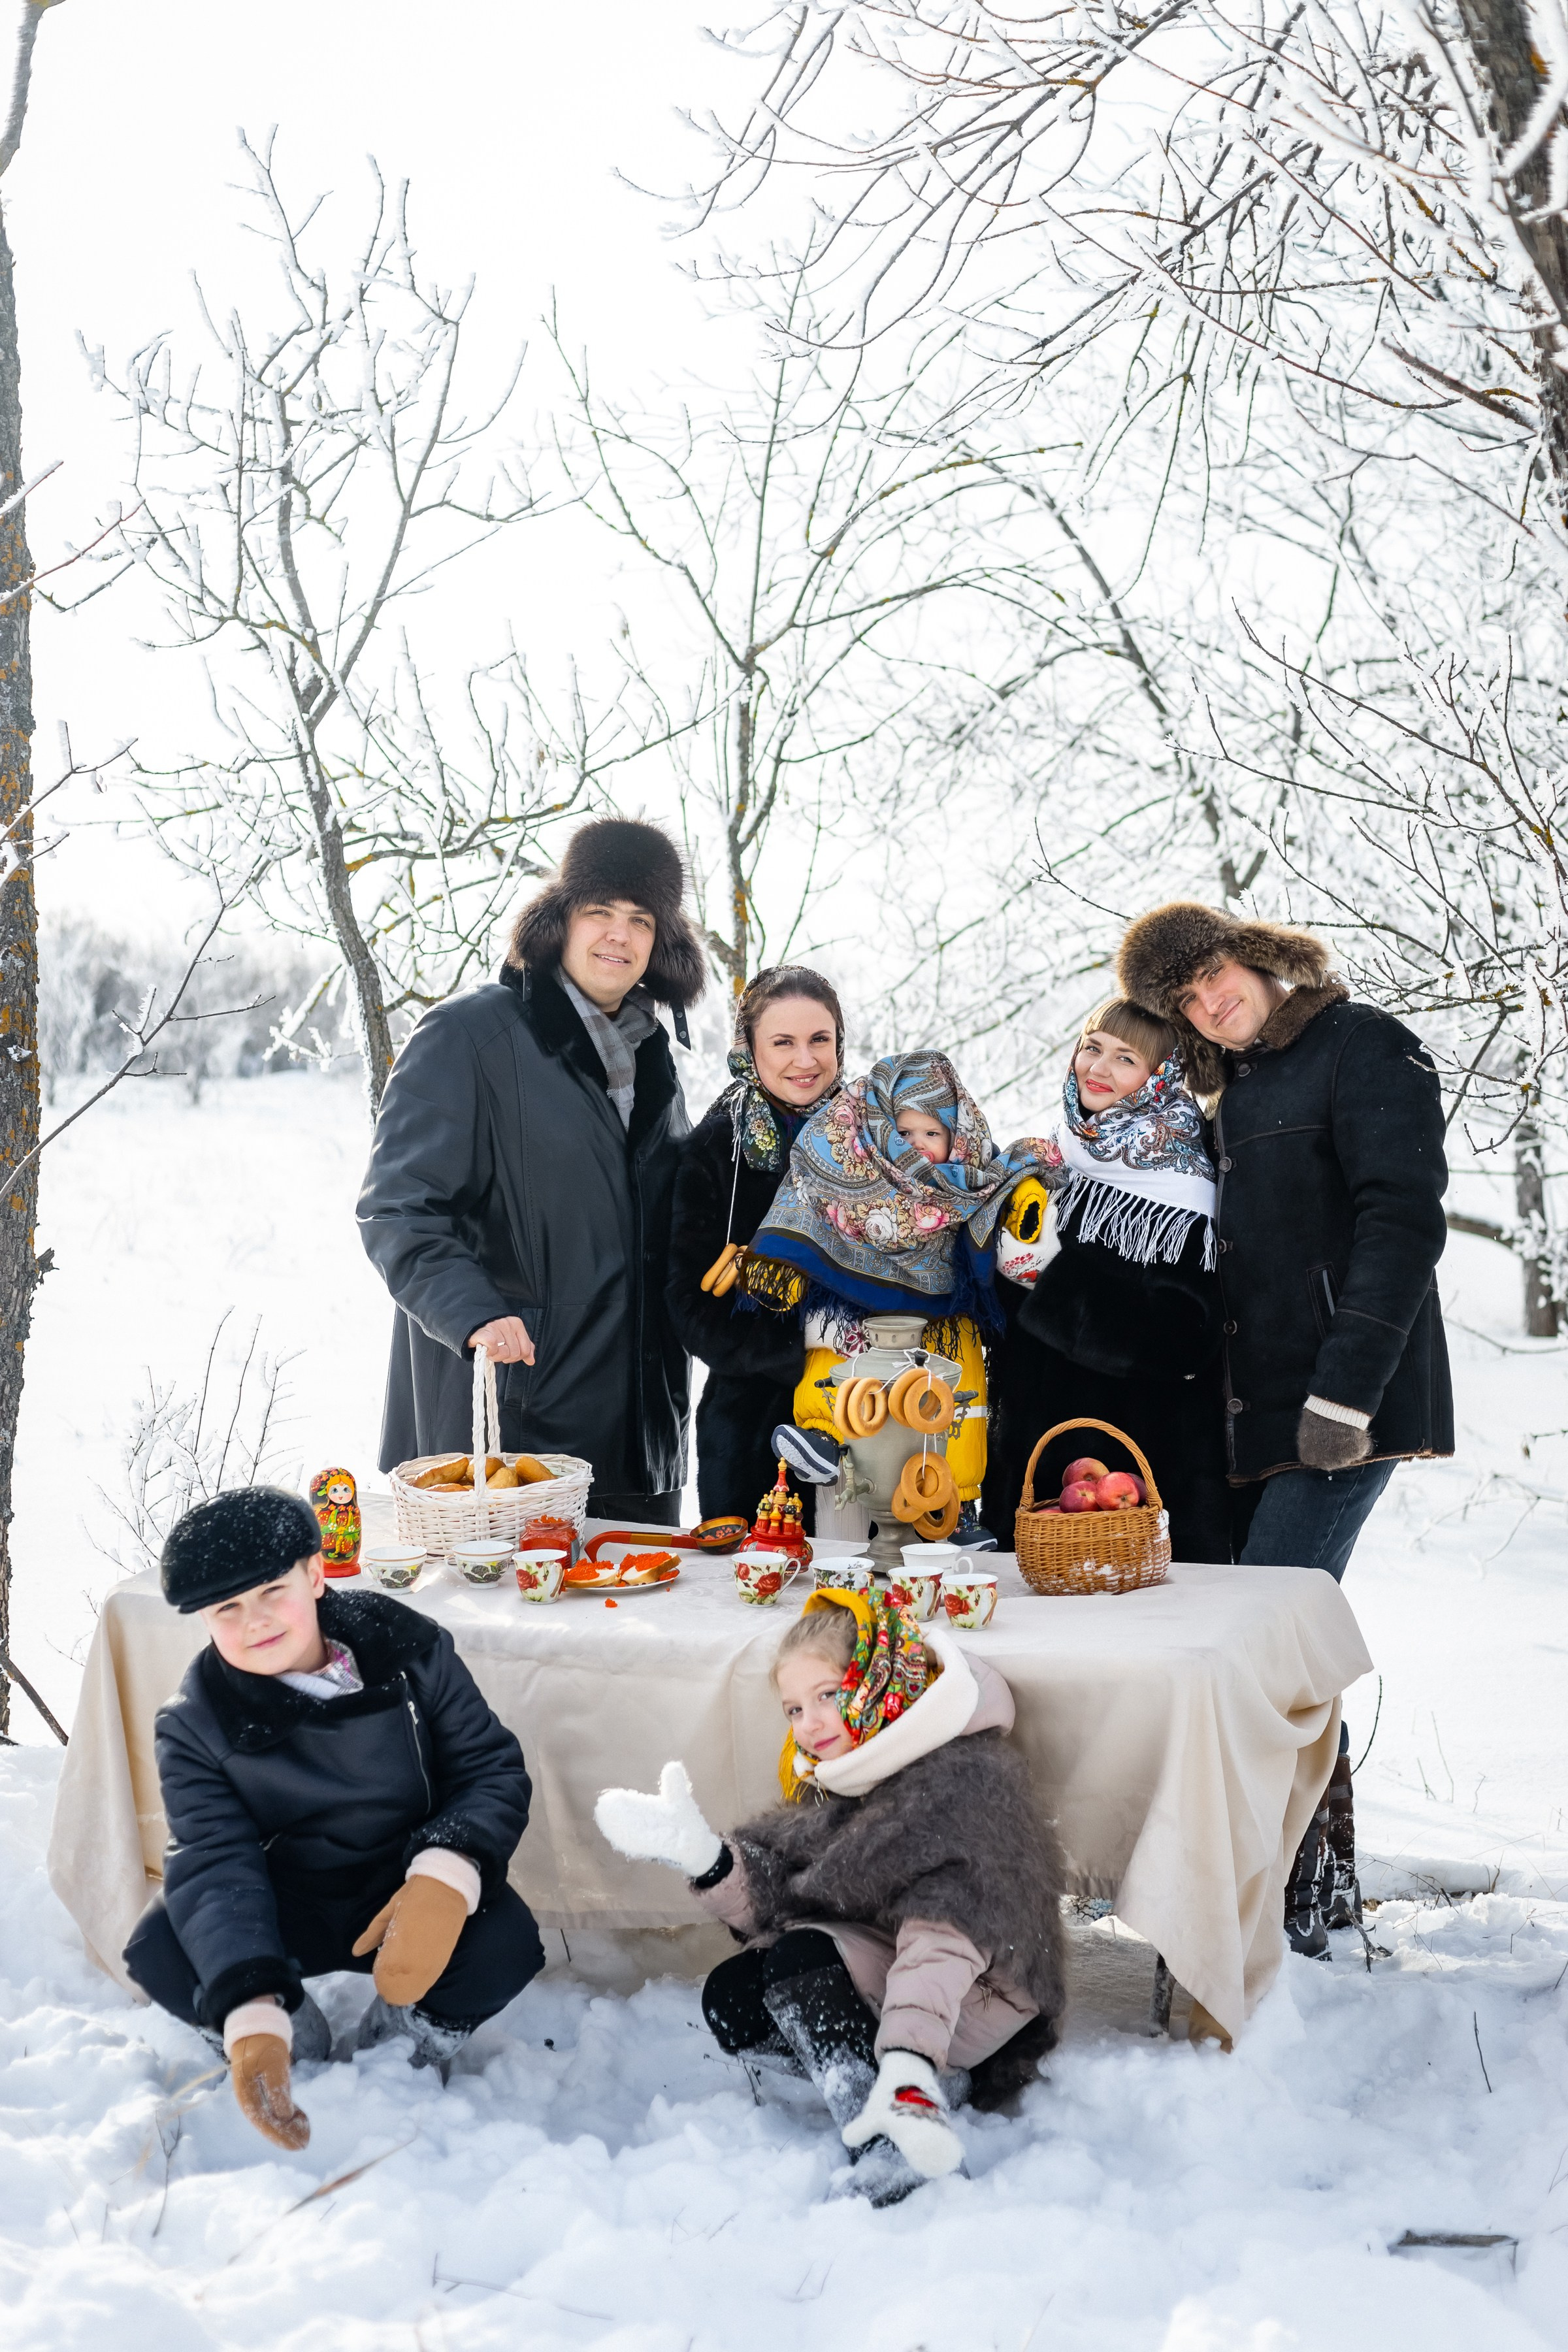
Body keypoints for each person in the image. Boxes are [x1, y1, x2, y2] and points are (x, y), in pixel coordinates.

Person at [1118, 900, 1453, 1952]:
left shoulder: (1364, 1045)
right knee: (1284, 1655)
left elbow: (1403, 1220)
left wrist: (1344, 1393)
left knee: (1262, 1648)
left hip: (1344, 1410)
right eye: (1185, 999)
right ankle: (1316, 1900)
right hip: (1259, 1421)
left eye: (1214, 974)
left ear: (1255, 957)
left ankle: (1277, 1910)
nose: (1208, 1003)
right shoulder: (1235, 1088)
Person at [594, 1588, 1067, 2206]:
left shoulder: (959, 1785)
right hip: (897, 1967)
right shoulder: (850, 1770)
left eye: (829, 1695)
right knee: (735, 1997)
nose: (810, 1724)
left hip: (974, 1996)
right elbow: (786, 1889)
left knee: (801, 1961)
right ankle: (910, 2086)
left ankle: (893, 2131)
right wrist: (708, 1861)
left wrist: (909, 2058)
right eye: (793, 1709)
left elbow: (942, 1940)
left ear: (877, 1681)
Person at [123, 1487, 542, 2150]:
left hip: (400, 1889)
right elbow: (213, 1860)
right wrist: (253, 2007)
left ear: (315, 1575)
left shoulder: (403, 1645)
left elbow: (489, 1767)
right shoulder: (195, 1722)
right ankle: (293, 2037)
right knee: (160, 1948)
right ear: (204, 1620)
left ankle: (403, 2041)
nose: (254, 1620)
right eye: (227, 1609)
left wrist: (447, 1872)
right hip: (285, 1902)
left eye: (271, 1591)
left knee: (507, 1940)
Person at [358, 817, 705, 1525]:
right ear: (559, 920)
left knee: (639, 1630)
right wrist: (473, 1312)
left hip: (640, 1439)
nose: (619, 934)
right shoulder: (468, 1036)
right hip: (511, 1431)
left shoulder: (653, 1057)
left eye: (641, 919)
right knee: (507, 1637)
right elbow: (399, 1208)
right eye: (599, 911)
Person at [746, 1050, 1058, 1549]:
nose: (915, 1146)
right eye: (903, 1133)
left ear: (958, 1140)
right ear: (877, 1132)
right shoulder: (853, 1170)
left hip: (941, 1318)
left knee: (956, 1394)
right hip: (859, 1311)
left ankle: (954, 1502)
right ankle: (824, 1438)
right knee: (836, 1361)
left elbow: (1011, 1199)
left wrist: (1023, 1197)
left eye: (931, 1134)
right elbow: (807, 1193)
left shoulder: (970, 1183)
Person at [985, 998, 1230, 1560]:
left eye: (1126, 1059)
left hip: (1127, 1470)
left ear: (1161, 1077)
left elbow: (1184, 1340)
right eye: (1092, 1048)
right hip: (1029, 1458)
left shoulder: (1184, 1186)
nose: (1098, 1068)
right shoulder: (1051, 1160)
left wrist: (1053, 1280)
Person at [666, 968, 845, 1524]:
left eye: (820, 1040)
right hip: (754, 1435)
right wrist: (802, 1338)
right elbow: (691, 1307)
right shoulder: (718, 1152)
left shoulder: (879, 1138)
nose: (805, 1060)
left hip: (875, 1416)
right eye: (783, 1043)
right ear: (750, 1048)